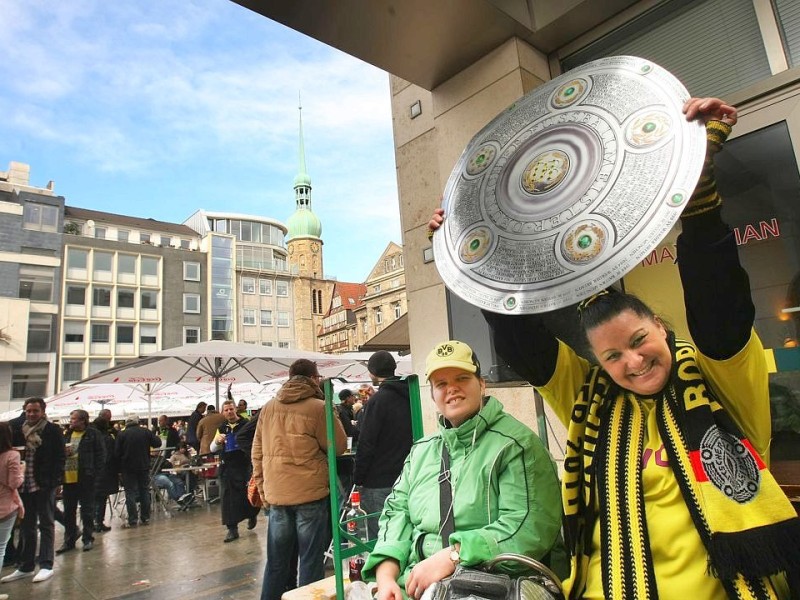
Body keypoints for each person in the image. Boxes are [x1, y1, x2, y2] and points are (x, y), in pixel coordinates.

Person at [428, 98, 800, 598]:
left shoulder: (720, 380)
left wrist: (700, 194)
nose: (633, 361)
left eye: (639, 340)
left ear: (662, 329)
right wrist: (478, 259)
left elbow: (721, 315)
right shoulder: (591, 394)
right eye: (612, 356)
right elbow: (526, 347)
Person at [363, 341, 564, 600]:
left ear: (481, 384)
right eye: (441, 384)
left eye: (462, 378)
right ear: (433, 394)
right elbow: (396, 513)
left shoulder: (517, 445)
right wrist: (386, 575)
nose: (452, 389)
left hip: (491, 586)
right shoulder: (422, 450)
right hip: (416, 587)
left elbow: (529, 529)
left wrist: (453, 555)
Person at [252, 358, 348, 600]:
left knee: (276, 563)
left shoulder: (268, 407)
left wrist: (263, 489)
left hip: (277, 496)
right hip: (310, 495)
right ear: (314, 379)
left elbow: (257, 452)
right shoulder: (318, 407)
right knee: (310, 561)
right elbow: (338, 447)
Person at [2, 397, 65, 584]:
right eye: (28, 411)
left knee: (46, 523)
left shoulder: (52, 430)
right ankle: (26, 565)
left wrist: (55, 481)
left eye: (35, 411)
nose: (31, 414)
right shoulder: (18, 431)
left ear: (43, 412)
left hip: (44, 484)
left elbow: (59, 457)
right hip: (24, 485)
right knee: (27, 526)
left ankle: (46, 565)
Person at [353, 351, 413, 539]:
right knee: (405, 534)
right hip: (409, 477)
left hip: (378, 481)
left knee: (381, 537)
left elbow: (367, 442)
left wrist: (358, 477)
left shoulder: (377, 401)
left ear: (372, 372)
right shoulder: (411, 396)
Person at [210, 399, 259, 543]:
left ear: (235, 409)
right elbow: (213, 449)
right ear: (222, 412)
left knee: (247, 494)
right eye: (226, 410)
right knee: (228, 498)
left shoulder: (246, 424)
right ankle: (232, 529)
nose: (229, 412)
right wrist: (217, 441)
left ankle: (252, 514)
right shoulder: (221, 428)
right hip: (227, 466)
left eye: (231, 409)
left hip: (244, 465)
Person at [56, 409, 105, 554]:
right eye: (71, 419)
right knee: (69, 511)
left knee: (87, 510)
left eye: (74, 419)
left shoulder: (92, 434)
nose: (71, 421)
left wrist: (95, 474)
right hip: (68, 478)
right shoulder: (67, 434)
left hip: (86, 477)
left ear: (83, 420)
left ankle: (88, 538)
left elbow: (101, 455)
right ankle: (69, 539)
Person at [115, 415, 161, 528]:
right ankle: (145, 518)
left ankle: (133, 520)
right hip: (144, 465)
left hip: (127, 467)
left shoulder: (122, 434)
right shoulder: (145, 432)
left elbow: (117, 453)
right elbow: (157, 443)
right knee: (144, 491)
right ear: (138, 422)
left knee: (130, 492)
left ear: (127, 423)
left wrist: (118, 468)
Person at [0, 422, 23, 592]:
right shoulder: (11, 455)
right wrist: (23, 470)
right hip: (6, 505)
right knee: (1, 547)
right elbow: (14, 482)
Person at [92, 408, 117, 533]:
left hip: (92, 472)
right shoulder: (106, 437)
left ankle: (92, 522)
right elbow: (110, 455)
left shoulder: (89, 434)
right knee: (101, 497)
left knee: (94, 497)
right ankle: (98, 522)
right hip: (103, 471)